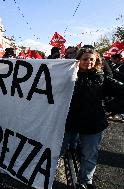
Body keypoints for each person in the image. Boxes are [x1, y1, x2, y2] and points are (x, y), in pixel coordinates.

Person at [63, 48, 109, 189]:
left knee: (89, 155)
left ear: (96, 62)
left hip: (92, 122)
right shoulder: (67, 75)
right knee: (57, 149)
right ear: (78, 60)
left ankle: (85, 181)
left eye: (91, 59)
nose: (88, 62)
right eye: (85, 59)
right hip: (68, 121)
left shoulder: (102, 77)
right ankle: (47, 174)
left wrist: (111, 106)